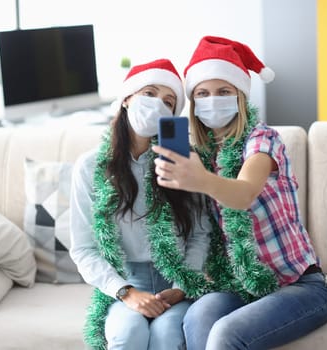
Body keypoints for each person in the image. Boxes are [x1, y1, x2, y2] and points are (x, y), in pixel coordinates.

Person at [152, 36, 327, 350]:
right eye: (203, 93)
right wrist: (185, 285)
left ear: (240, 96)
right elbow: (201, 237)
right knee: (198, 317)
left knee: (225, 335)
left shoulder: (262, 139)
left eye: (224, 91)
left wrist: (202, 180)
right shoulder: (197, 154)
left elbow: (245, 193)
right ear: (193, 103)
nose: (213, 100)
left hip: (299, 286)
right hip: (237, 287)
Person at [69, 58, 211, 350]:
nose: (158, 104)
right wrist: (126, 292)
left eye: (169, 101)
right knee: (128, 334)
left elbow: (200, 233)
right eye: (149, 93)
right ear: (126, 99)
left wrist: (182, 287)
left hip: (177, 280)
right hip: (124, 281)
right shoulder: (90, 166)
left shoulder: (184, 162)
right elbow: (83, 248)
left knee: (167, 336)